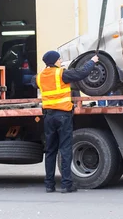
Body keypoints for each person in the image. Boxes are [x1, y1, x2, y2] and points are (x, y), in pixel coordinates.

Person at [32, 50, 98, 193]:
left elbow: (32, 82)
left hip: (48, 117)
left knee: (50, 151)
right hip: (63, 116)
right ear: (55, 61)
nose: (60, 61)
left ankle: (49, 185)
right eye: (59, 59)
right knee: (66, 149)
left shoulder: (40, 76)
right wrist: (92, 61)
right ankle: (67, 184)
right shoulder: (61, 73)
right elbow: (81, 73)